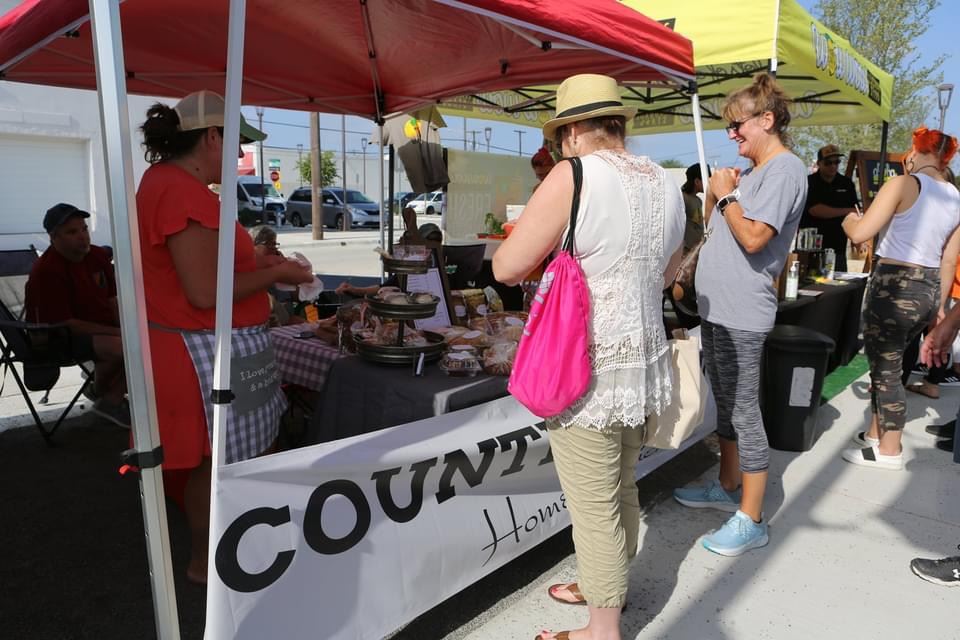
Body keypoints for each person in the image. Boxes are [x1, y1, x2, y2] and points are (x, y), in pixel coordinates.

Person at [493, 73, 684, 640]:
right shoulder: (665, 180)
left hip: (586, 363)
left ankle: (603, 629)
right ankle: (606, 586)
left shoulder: (573, 174)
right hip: (641, 359)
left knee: (593, 503)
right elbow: (669, 274)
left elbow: (506, 267)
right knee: (620, 485)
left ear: (573, 131)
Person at [136, 90, 312, 583]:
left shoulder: (171, 183)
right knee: (213, 463)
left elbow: (212, 266)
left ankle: (229, 550)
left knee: (222, 459)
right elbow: (203, 291)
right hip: (200, 348)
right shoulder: (180, 191)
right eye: (235, 142)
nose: (238, 154)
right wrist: (279, 276)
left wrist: (263, 262)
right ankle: (206, 563)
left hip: (213, 344)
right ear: (212, 137)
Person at [673, 73, 807, 556]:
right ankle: (729, 484)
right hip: (720, 308)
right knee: (728, 403)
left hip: (742, 312)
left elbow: (753, 238)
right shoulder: (752, 172)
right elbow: (717, 226)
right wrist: (719, 193)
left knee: (744, 410)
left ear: (766, 120)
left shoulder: (785, 170)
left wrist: (727, 195)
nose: (731, 134)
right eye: (728, 126)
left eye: (737, 125)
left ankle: (752, 518)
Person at [839, 126, 960, 470]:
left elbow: (861, 233)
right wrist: (939, 307)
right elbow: (949, 259)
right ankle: (875, 434)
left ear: (915, 150)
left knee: (886, 368)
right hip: (928, 287)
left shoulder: (903, 184)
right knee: (889, 363)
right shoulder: (955, 196)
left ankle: (890, 448)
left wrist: (849, 220)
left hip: (894, 285)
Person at [24, 203, 129, 426]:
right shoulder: (46, 271)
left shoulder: (98, 255)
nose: (82, 236)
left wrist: (128, 327)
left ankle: (107, 397)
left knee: (146, 341)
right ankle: (105, 396)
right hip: (59, 338)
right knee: (126, 347)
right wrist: (119, 333)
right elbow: (68, 324)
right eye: (72, 232)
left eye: (84, 228)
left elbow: (112, 300)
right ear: (54, 237)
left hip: (100, 331)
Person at [799, 144, 860, 272]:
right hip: (810, 250)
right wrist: (847, 211)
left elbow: (856, 212)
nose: (833, 166)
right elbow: (816, 210)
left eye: (836, 162)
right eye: (828, 163)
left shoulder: (846, 183)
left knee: (838, 283)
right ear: (819, 163)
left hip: (838, 249)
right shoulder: (809, 182)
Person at [681, 163, 710, 253]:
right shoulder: (682, 198)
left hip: (697, 249)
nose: (709, 182)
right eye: (706, 179)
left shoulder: (698, 200)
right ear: (697, 181)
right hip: (686, 251)